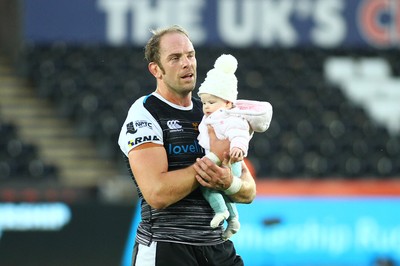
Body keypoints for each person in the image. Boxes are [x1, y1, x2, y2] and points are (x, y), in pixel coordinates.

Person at [118, 25, 256, 266]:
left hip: (216, 247)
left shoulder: (213, 112)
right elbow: (157, 193)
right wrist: (212, 160)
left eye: (190, 55)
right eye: (175, 58)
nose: (187, 63)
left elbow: (249, 190)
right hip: (166, 247)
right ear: (155, 70)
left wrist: (227, 182)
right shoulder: (145, 113)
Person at [197, 54, 273, 240]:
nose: (206, 107)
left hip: (229, 158)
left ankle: (222, 212)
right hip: (221, 157)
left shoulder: (229, 117)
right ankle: (233, 219)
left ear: (228, 102)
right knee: (219, 190)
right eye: (204, 102)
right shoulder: (211, 117)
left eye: (211, 102)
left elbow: (239, 133)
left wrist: (238, 148)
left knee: (207, 186)